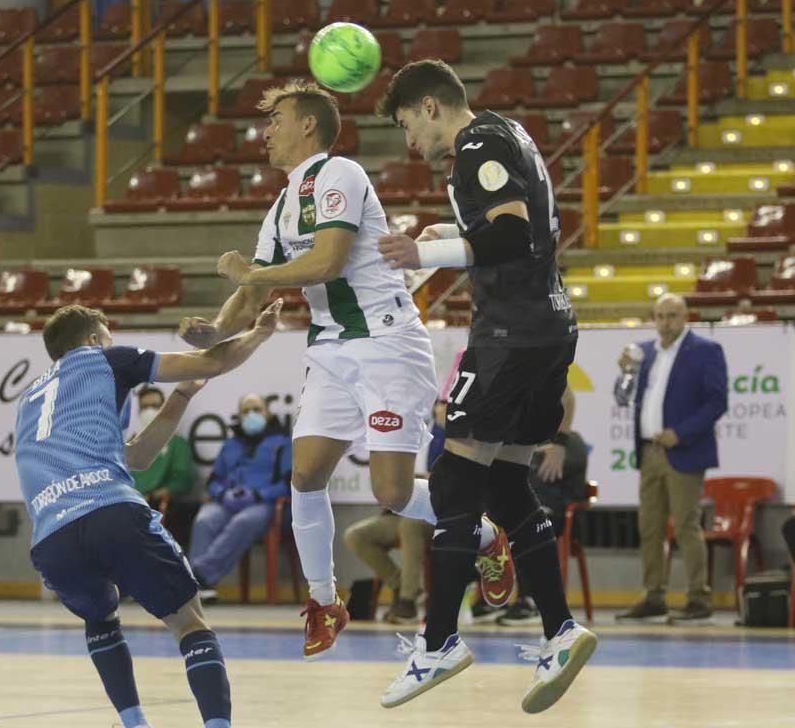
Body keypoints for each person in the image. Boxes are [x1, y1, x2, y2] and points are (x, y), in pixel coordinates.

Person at [177, 80, 512, 661]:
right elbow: (253, 290)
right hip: (330, 348)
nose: (266, 131)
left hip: (386, 342)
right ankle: (325, 600)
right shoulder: (282, 206)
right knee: (305, 475)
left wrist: (249, 278)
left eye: (276, 119)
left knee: (394, 492)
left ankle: (486, 535)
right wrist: (216, 330)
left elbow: (327, 261)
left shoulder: (342, 175)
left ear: (308, 124)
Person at [374, 59, 596, 713]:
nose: (410, 141)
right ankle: (560, 629)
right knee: (502, 483)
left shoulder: (477, 144)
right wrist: (449, 234)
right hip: (549, 327)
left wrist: (426, 254)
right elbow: (510, 228)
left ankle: (438, 639)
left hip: (511, 334)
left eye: (409, 124)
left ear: (432, 106)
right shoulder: (509, 133)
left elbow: (510, 232)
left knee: (452, 479)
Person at [14, 300, 283, 728]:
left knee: (100, 618)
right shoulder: (106, 360)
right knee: (189, 620)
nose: (111, 341)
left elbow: (137, 456)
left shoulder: (31, 400)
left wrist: (181, 396)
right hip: (109, 509)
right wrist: (258, 333)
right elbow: (210, 360)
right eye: (107, 334)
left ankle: (135, 723)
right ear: (91, 339)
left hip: (51, 540)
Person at [614, 293, 728, 625]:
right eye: (660, 316)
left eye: (672, 316)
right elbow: (622, 398)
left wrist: (682, 432)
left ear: (686, 317)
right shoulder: (643, 353)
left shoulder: (705, 351)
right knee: (649, 527)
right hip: (649, 451)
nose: (665, 322)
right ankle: (653, 596)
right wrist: (625, 373)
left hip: (684, 450)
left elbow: (717, 402)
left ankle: (698, 598)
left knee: (686, 525)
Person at [494, 387, 589, 625]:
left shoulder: (572, 444)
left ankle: (529, 600)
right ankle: (485, 599)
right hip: (531, 508)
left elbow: (538, 473)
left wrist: (537, 455)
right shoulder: (529, 442)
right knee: (486, 521)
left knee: (527, 523)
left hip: (560, 518)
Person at [189, 393, 292, 600]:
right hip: (228, 502)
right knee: (204, 520)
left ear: (268, 413)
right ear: (239, 416)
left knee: (243, 522)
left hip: (264, 505)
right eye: (246, 411)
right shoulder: (230, 445)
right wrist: (223, 493)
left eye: (257, 409)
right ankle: (201, 589)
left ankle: (196, 577)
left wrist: (257, 494)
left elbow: (288, 484)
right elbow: (213, 481)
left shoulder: (283, 444)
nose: (251, 414)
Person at [130, 385, 200, 548]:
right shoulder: (130, 445)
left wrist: (164, 491)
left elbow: (183, 479)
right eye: (145, 407)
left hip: (159, 504)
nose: (149, 411)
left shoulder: (178, 444)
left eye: (155, 406)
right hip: (131, 503)